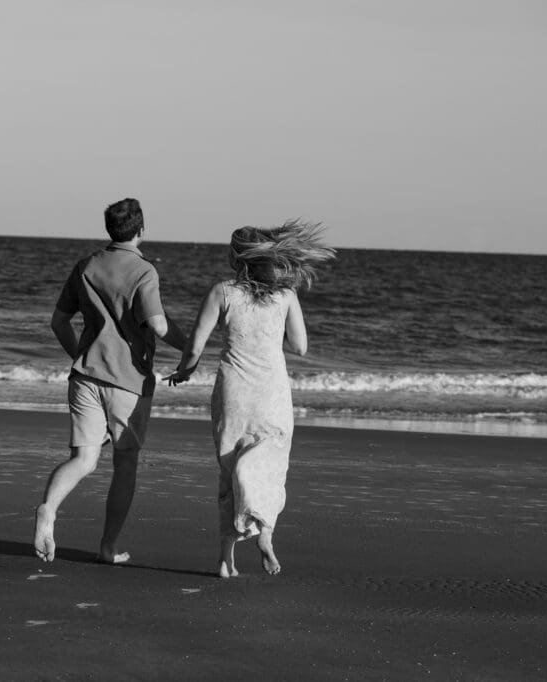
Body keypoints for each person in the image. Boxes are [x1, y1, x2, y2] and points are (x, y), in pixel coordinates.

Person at [165, 220, 334, 577]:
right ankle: (266, 532)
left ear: (236, 258)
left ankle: (226, 561)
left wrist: (184, 371)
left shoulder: (222, 291)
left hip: (234, 392)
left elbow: (195, 345)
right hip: (271, 392)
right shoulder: (286, 295)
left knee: (229, 472)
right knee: (270, 465)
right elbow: (301, 347)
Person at [34, 198, 187, 564]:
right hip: (128, 381)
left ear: (110, 229)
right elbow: (159, 325)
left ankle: (48, 509)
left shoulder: (86, 266)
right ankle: (108, 545)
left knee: (84, 459)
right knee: (126, 462)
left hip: (85, 375)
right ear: (141, 230)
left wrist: (79, 355)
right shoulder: (144, 271)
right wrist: (191, 348)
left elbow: (58, 322)